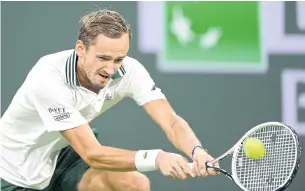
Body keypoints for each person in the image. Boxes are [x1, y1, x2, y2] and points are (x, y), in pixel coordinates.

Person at [0, 9, 219, 191]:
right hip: (13, 173)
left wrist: (196, 150)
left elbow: (170, 121)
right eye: (103, 58)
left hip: (61, 154)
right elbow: (93, 154)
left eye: (118, 59)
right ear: (81, 49)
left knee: (134, 184)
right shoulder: (48, 78)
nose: (111, 69)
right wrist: (157, 158)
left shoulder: (129, 70)